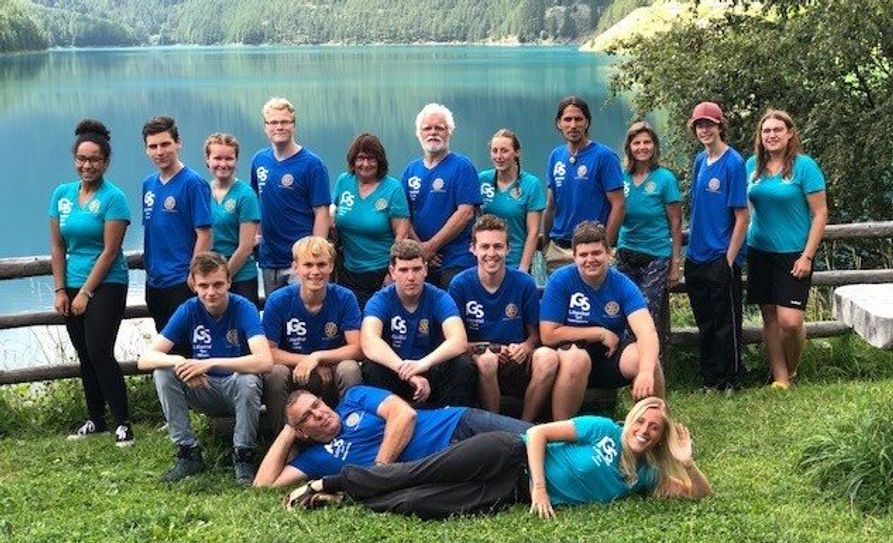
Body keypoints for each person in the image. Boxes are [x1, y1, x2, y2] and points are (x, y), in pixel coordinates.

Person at [287, 396, 711, 519]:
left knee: (420, 503)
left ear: (660, 438)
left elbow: (698, 496)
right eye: (641, 421)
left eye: (654, 429)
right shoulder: (605, 429)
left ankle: (350, 497)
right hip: (511, 455)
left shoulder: (646, 475)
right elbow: (539, 432)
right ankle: (332, 483)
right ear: (631, 419)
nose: (643, 430)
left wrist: (687, 461)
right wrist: (541, 489)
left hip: (509, 492)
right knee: (414, 472)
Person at [138, 252, 273, 485]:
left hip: (236, 389)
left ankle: (243, 455)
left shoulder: (244, 308)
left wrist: (211, 362)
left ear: (229, 282)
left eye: (218, 284)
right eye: (204, 285)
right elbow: (145, 359)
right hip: (203, 387)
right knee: (163, 372)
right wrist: (181, 363)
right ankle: (187, 452)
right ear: (194, 285)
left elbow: (264, 361)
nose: (211, 292)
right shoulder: (189, 309)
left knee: (248, 379)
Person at [254, 385, 532, 488]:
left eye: (316, 404)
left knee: (537, 436)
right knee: (529, 465)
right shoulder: (315, 459)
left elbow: (403, 414)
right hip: (451, 462)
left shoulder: (354, 398)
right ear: (303, 432)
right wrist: (288, 431)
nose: (318, 414)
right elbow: (263, 486)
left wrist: (380, 471)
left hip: (458, 424)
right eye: (307, 417)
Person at [49, 119, 134, 446]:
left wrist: (86, 291)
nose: (87, 165)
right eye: (82, 159)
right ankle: (95, 419)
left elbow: (111, 251)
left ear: (106, 162)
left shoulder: (114, 198)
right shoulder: (61, 195)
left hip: (108, 283)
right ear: (75, 160)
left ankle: (123, 422)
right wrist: (60, 289)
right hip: (70, 283)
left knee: (100, 349)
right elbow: (57, 246)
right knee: (84, 352)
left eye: (94, 159)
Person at [539, 221, 665, 420]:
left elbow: (647, 331)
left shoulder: (623, 284)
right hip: (571, 360)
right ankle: (560, 434)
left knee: (646, 360)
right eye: (583, 255)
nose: (590, 260)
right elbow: (548, 334)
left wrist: (647, 371)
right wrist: (598, 333)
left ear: (609, 253)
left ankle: (654, 426)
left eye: (596, 253)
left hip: (609, 357)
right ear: (574, 257)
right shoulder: (560, 280)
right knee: (576, 359)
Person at [746, 109, 827, 389]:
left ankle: (790, 371)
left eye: (777, 130)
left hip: (794, 253)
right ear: (760, 136)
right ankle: (780, 379)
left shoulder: (804, 167)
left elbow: (820, 214)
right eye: (766, 131)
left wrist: (807, 255)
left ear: (790, 133)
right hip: (759, 250)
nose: (771, 135)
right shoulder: (751, 167)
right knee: (769, 315)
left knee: (791, 322)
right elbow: (745, 209)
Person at [448, 215, 559, 421]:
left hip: (516, 360)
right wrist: (488, 347)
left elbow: (535, 336)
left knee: (548, 358)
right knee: (488, 360)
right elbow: (454, 341)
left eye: (498, 247)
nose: (492, 254)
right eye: (485, 247)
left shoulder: (524, 283)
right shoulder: (460, 284)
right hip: (480, 360)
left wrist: (525, 347)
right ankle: (494, 425)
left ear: (508, 249)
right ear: (473, 249)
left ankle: (525, 425)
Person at [261, 236, 363, 434]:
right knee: (275, 372)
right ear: (296, 267)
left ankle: (352, 434)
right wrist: (307, 361)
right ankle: (283, 440)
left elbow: (358, 348)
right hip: (294, 371)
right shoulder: (278, 301)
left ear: (331, 266)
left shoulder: (344, 297)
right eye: (308, 265)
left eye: (321, 264)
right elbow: (268, 352)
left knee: (350, 369)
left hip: (331, 370)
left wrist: (318, 358)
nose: (315, 272)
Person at [361, 239, 477, 408]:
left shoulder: (439, 297)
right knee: (371, 365)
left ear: (425, 269)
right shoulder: (380, 300)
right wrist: (406, 371)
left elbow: (459, 340)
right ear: (392, 272)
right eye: (403, 270)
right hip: (396, 369)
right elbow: (369, 341)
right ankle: (388, 419)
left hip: (430, 367)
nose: (411, 277)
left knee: (462, 364)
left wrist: (423, 364)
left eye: (416, 269)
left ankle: (451, 420)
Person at [684, 102, 749, 393]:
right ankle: (710, 378)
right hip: (696, 255)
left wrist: (729, 259)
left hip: (721, 255)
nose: (704, 129)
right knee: (706, 321)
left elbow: (742, 217)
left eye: (709, 124)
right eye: (699, 125)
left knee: (726, 322)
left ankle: (730, 378)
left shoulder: (733, 162)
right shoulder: (700, 161)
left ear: (720, 125)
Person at [141, 116, 212, 355]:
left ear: (178, 143)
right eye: (153, 146)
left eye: (165, 144)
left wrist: (193, 274)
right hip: (155, 282)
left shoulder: (193, 183)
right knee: (165, 350)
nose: (159, 152)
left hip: (181, 281)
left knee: (189, 349)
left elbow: (204, 233)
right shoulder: (148, 184)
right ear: (146, 149)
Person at [616, 122, 682, 363]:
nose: (642, 147)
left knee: (646, 310)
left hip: (656, 254)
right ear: (629, 147)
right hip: (626, 251)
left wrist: (675, 262)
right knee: (624, 310)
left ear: (654, 146)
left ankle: (652, 366)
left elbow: (676, 223)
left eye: (647, 142)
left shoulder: (665, 178)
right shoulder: (621, 177)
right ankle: (627, 366)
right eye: (636, 143)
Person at [250, 97, 330, 297]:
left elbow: (322, 212)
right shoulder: (259, 160)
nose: (279, 127)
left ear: (294, 125)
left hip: (301, 260)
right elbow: (256, 202)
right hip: (269, 259)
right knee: (275, 316)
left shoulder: (312, 164)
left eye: (285, 122)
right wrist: (256, 236)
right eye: (273, 122)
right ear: (265, 127)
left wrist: (315, 254)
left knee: (303, 315)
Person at [542, 96, 625, 274]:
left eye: (578, 119)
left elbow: (618, 205)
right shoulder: (556, 156)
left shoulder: (604, 156)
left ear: (587, 122)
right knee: (560, 301)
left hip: (592, 251)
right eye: (567, 119)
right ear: (559, 123)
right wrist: (545, 244)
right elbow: (551, 205)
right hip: (559, 250)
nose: (573, 125)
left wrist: (606, 247)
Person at [402, 103, 481, 288]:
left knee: (454, 311)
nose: (433, 132)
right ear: (418, 133)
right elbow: (403, 216)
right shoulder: (410, 171)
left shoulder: (462, 166)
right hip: (421, 261)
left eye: (439, 128)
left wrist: (431, 246)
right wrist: (420, 248)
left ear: (449, 132)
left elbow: (466, 213)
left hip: (457, 260)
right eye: (427, 128)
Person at [332, 133, 410, 308]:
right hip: (347, 273)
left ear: (380, 161)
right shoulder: (343, 181)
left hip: (381, 274)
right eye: (360, 158)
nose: (365, 164)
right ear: (353, 160)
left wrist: (393, 272)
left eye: (371, 158)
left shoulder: (392, 188)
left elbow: (402, 236)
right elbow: (333, 213)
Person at [478, 129, 546, 273]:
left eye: (504, 151)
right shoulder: (482, 180)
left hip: (515, 262)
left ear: (516, 152)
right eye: (494, 151)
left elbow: (533, 232)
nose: (499, 156)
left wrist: (523, 267)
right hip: (485, 261)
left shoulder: (531, 184)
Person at [205, 133, 261, 307]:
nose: (223, 164)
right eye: (217, 158)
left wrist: (222, 278)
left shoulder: (245, 194)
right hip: (209, 274)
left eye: (229, 158)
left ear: (236, 160)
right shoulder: (202, 191)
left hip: (240, 275)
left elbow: (245, 247)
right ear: (207, 160)